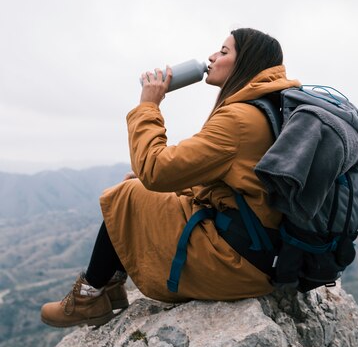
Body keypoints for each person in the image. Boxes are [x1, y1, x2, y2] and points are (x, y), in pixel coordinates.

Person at [41, 28, 300, 328]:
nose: (212, 57)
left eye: (224, 52)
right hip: (260, 251)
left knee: (127, 195)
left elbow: (154, 169)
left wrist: (148, 105)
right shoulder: (267, 107)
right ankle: (106, 287)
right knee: (135, 188)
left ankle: (88, 297)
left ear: (246, 64)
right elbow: (226, 180)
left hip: (238, 262)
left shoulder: (239, 119)